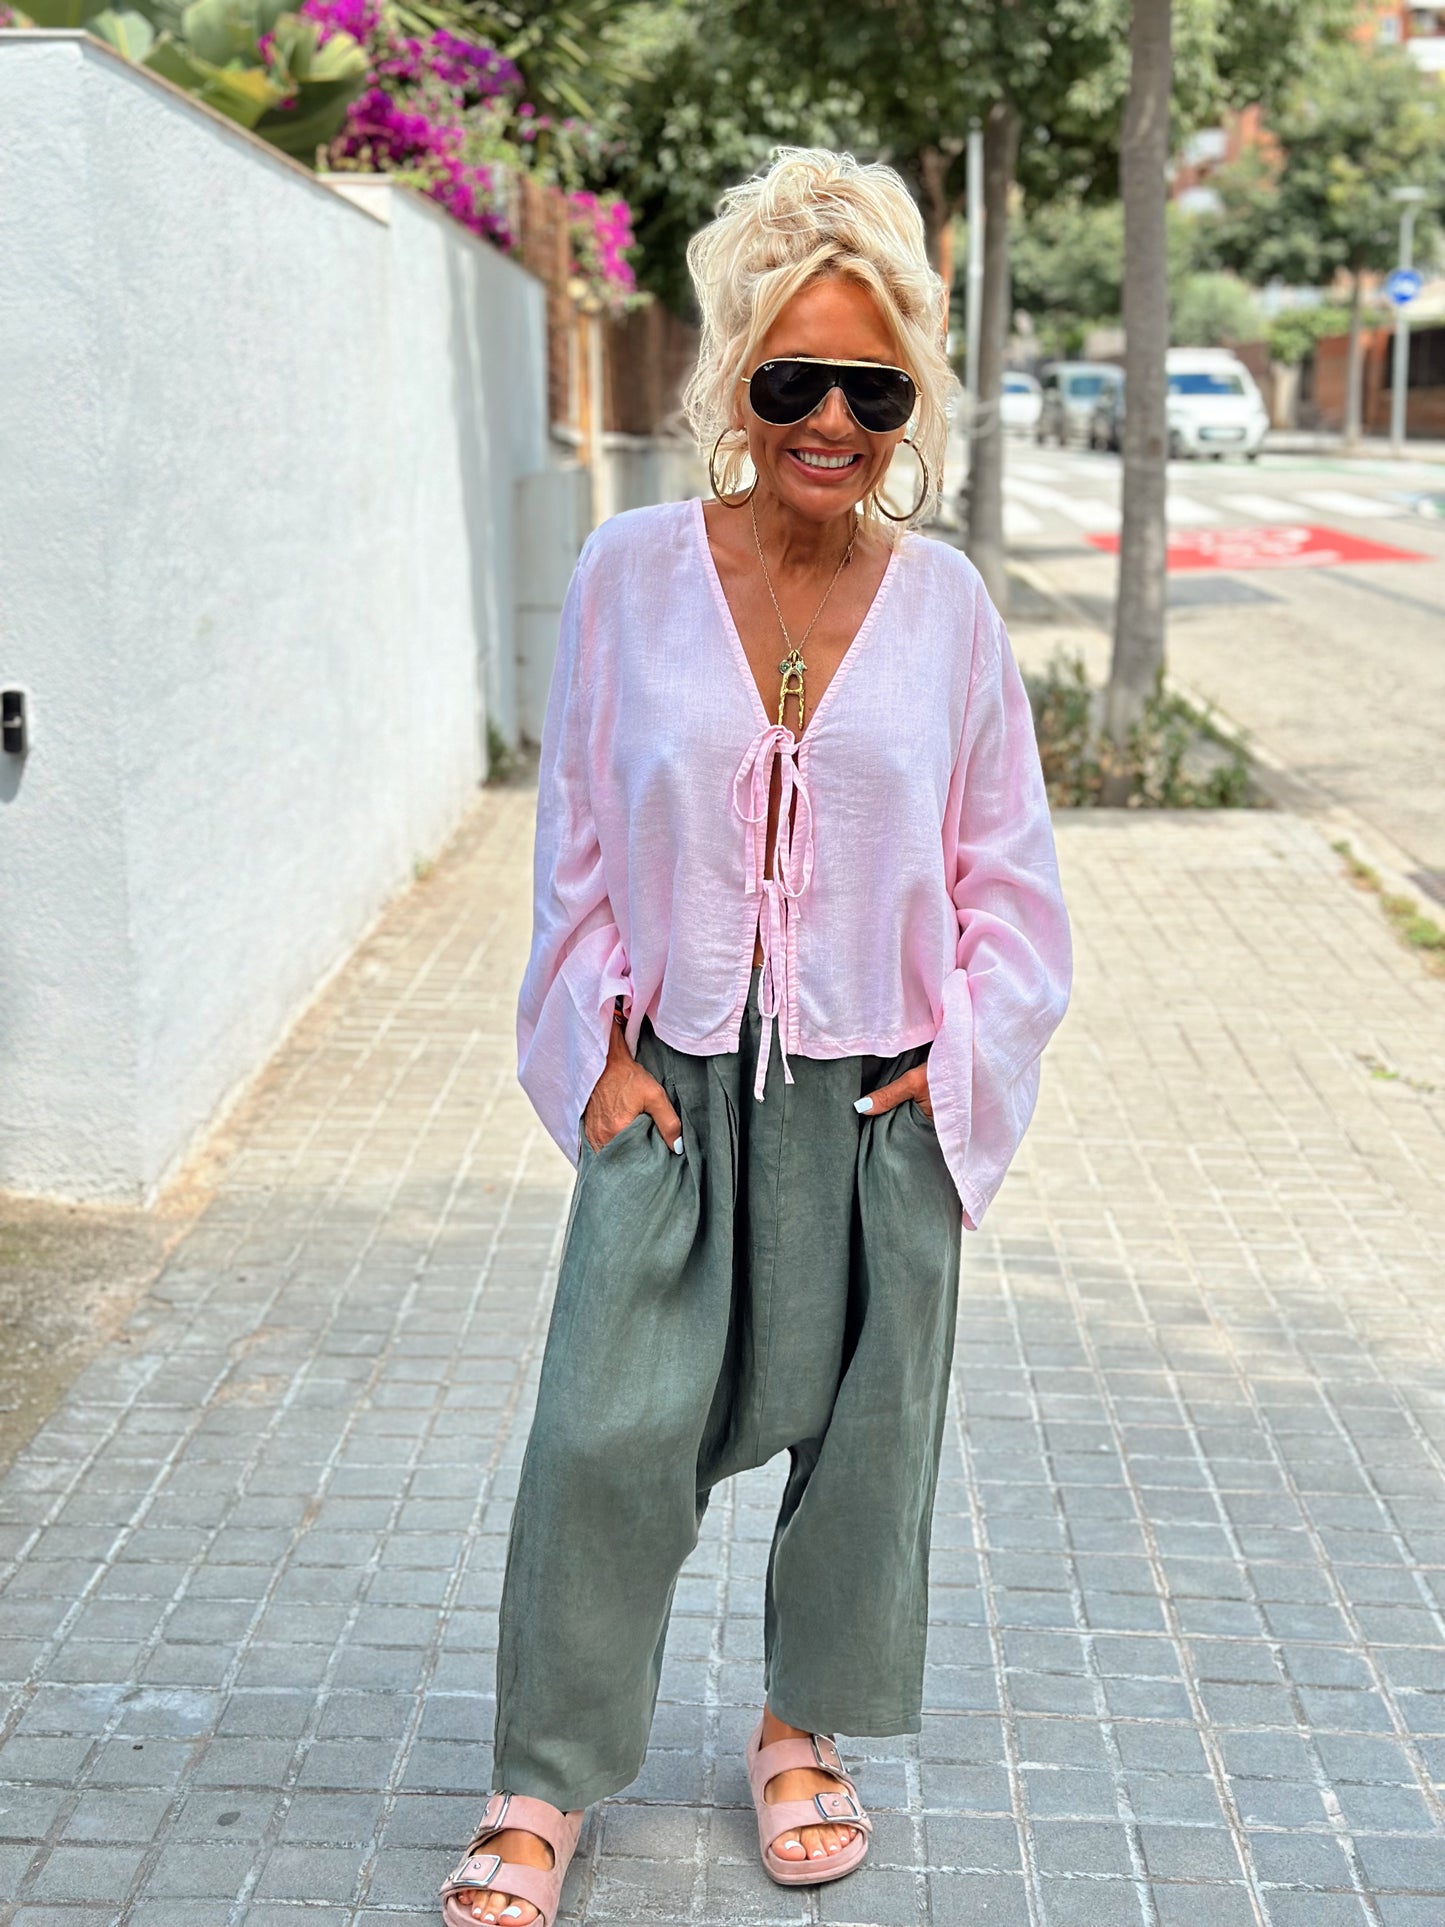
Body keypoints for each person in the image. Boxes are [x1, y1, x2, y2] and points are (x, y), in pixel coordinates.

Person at [439, 146, 1073, 1927]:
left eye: (869, 389)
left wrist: (957, 1072)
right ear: (734, 382)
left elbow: (1006, 877)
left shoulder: (946, 613)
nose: (828, 420)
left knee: (866, 1441)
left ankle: (802, 1730)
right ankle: (543, 1777)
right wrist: (596, 1058)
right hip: (676, 1086)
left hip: (875, 1089)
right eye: (790, 379)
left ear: (908, 406)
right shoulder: (633, 575)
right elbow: (571, 837)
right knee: (599, 1440)